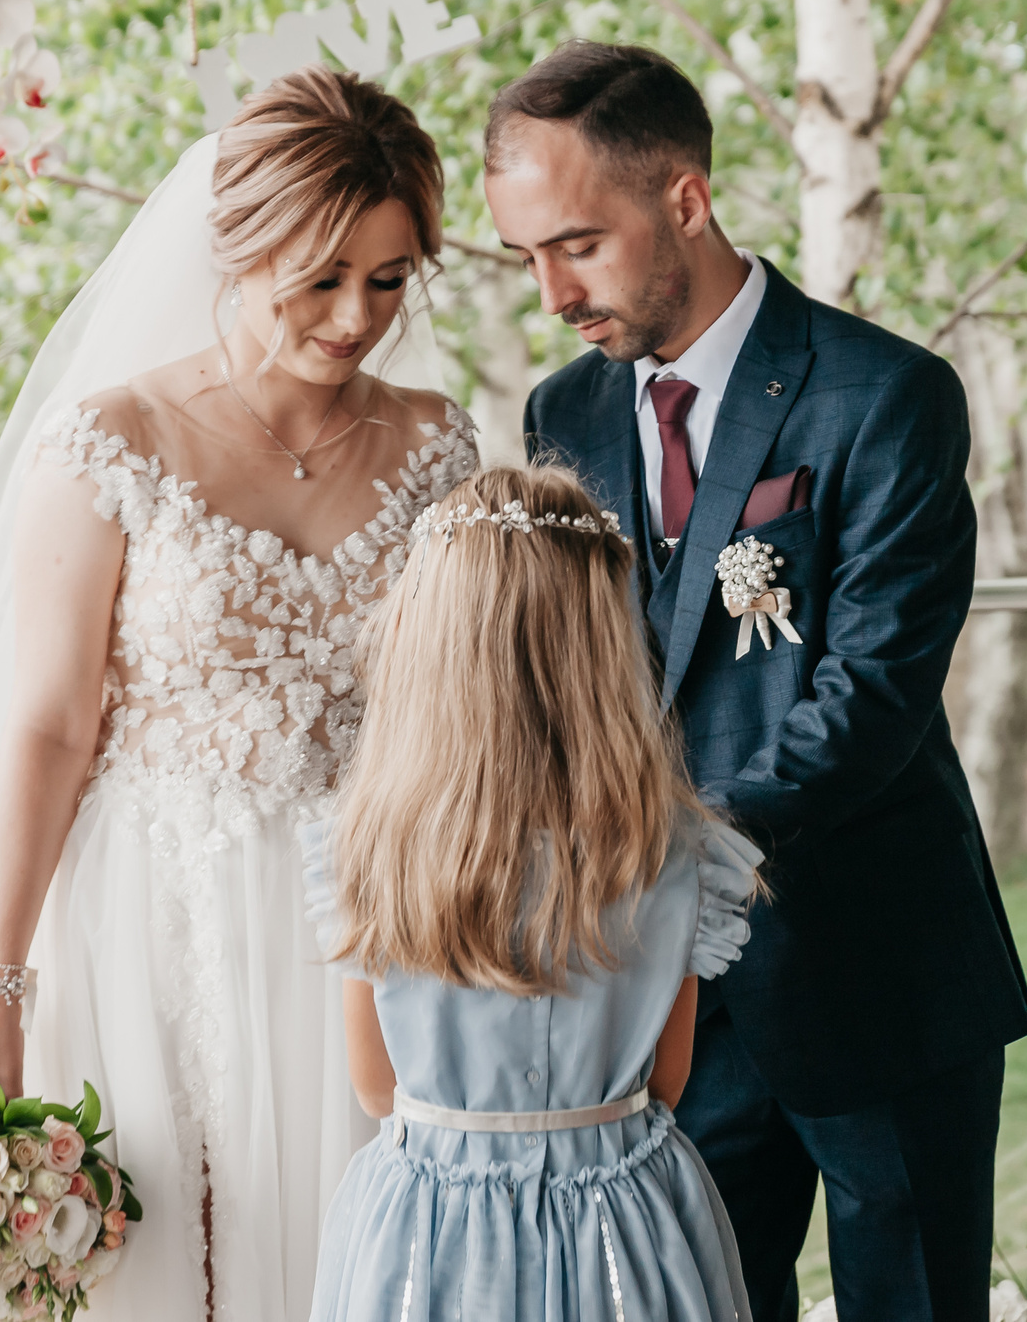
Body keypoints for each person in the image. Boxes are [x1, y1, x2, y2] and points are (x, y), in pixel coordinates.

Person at [0, 66, 480, 1320]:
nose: (355, 318)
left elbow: (462, 707)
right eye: (320, 278)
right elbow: (48, 726)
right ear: (236, 249)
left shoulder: (435, 446)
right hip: (150, 913)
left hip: (365, 923)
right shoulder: (111, 441)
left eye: (389, 278)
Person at [488, 42, 1027, 1321]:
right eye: (525, 256)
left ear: (685, 198)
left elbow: (873, 695)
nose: (552, 291)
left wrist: (674, 854)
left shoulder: (884, 394)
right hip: (670, 1007)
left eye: (577, 244)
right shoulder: (564, 412)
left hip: (876, 970)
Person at [304, 463, 763, 1319]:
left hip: (431, 1230)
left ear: (428, 639)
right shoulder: (677, 854)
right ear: (604, 643)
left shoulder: (366, 850)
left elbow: (375, 1085)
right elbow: (665, 1083)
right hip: (621, 1228)